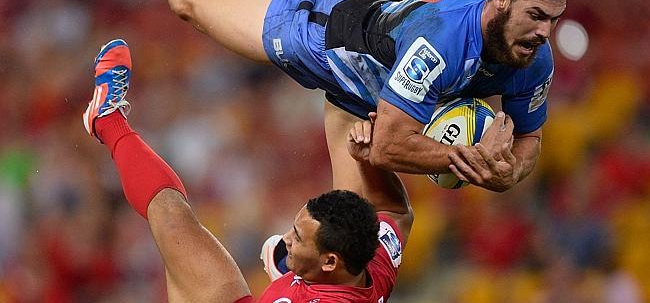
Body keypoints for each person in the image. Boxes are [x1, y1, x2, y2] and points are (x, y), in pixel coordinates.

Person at [108, 0, 574, 192]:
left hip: (371, 95)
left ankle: (286, 266)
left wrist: (510, 171)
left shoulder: (534, 57)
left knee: (373, 240)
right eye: (535, 16)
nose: (544, 33)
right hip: (322, 36)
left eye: (554, 19)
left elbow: (530, 138)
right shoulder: (444, 39)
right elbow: (389, 147)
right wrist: (470, 160)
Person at [82, 39, 414, 302]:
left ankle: (107, 122)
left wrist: (288, 279)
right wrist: (370, 160)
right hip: (304, 283)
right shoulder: (377, 254)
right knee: (172, 218)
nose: (285, 237)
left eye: (297, 239)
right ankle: (106, 118)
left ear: (329, 262)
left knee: (170, 218)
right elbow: (394, 212)